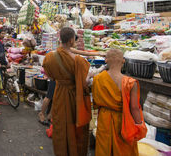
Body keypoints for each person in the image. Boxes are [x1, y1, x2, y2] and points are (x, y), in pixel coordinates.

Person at [42, 27, 91, 156]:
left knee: (61, 126)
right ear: (71, 41)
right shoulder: (79, 61)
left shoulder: (49, 57)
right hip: (75, 97)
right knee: (74, 126)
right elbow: (85, 82)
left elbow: (50, 75)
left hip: (59, 94)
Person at [92, 49, 145, 156]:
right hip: (124, 121)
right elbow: (134, 108)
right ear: (123, 61)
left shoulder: (97, 79)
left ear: (106, 60)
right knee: (123, 149)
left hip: (104, 118)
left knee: (104, 148)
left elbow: (96, 103)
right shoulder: (130, 83)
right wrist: (140, 126)